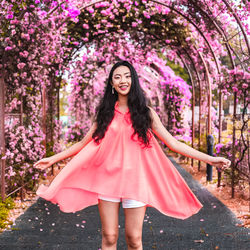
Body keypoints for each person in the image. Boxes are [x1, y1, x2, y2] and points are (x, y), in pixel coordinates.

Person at [34, 60, 231, 250]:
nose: (123, 80)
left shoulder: (146, 113)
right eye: (117, 77)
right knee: (109, 236)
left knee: (134, 239)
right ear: (112, 83)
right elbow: (82, 143)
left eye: (127, 76)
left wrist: (210, 159)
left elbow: (173, 143)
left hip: (137, 181)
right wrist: (53, 159)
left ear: (133, 80)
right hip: (107, 180)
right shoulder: (105, 113)